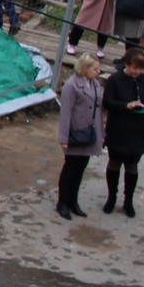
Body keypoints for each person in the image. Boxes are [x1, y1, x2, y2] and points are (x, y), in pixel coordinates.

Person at [101, 47, 144, 218]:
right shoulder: (115, 80)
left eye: (140, 68)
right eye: (134, 68)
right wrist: (126, 105)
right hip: (119, 128)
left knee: (132, 166)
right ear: (126, 64)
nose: (137, 72)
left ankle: (128, 201)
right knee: (114, 162)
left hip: (138, 130)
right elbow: (108, 102)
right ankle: (111, 197)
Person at [55, 53, 104, 220]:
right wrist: (64, 138)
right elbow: (66, 113)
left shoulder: (96, 85)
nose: (98, 71)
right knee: (70, 169)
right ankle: (62, 202)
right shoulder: (72, 86)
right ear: (85, 68)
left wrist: (101, 134)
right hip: (75, 133)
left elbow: (98, 112)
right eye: (95, 68)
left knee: (80, 168)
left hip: (89, 135)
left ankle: (73, 201)